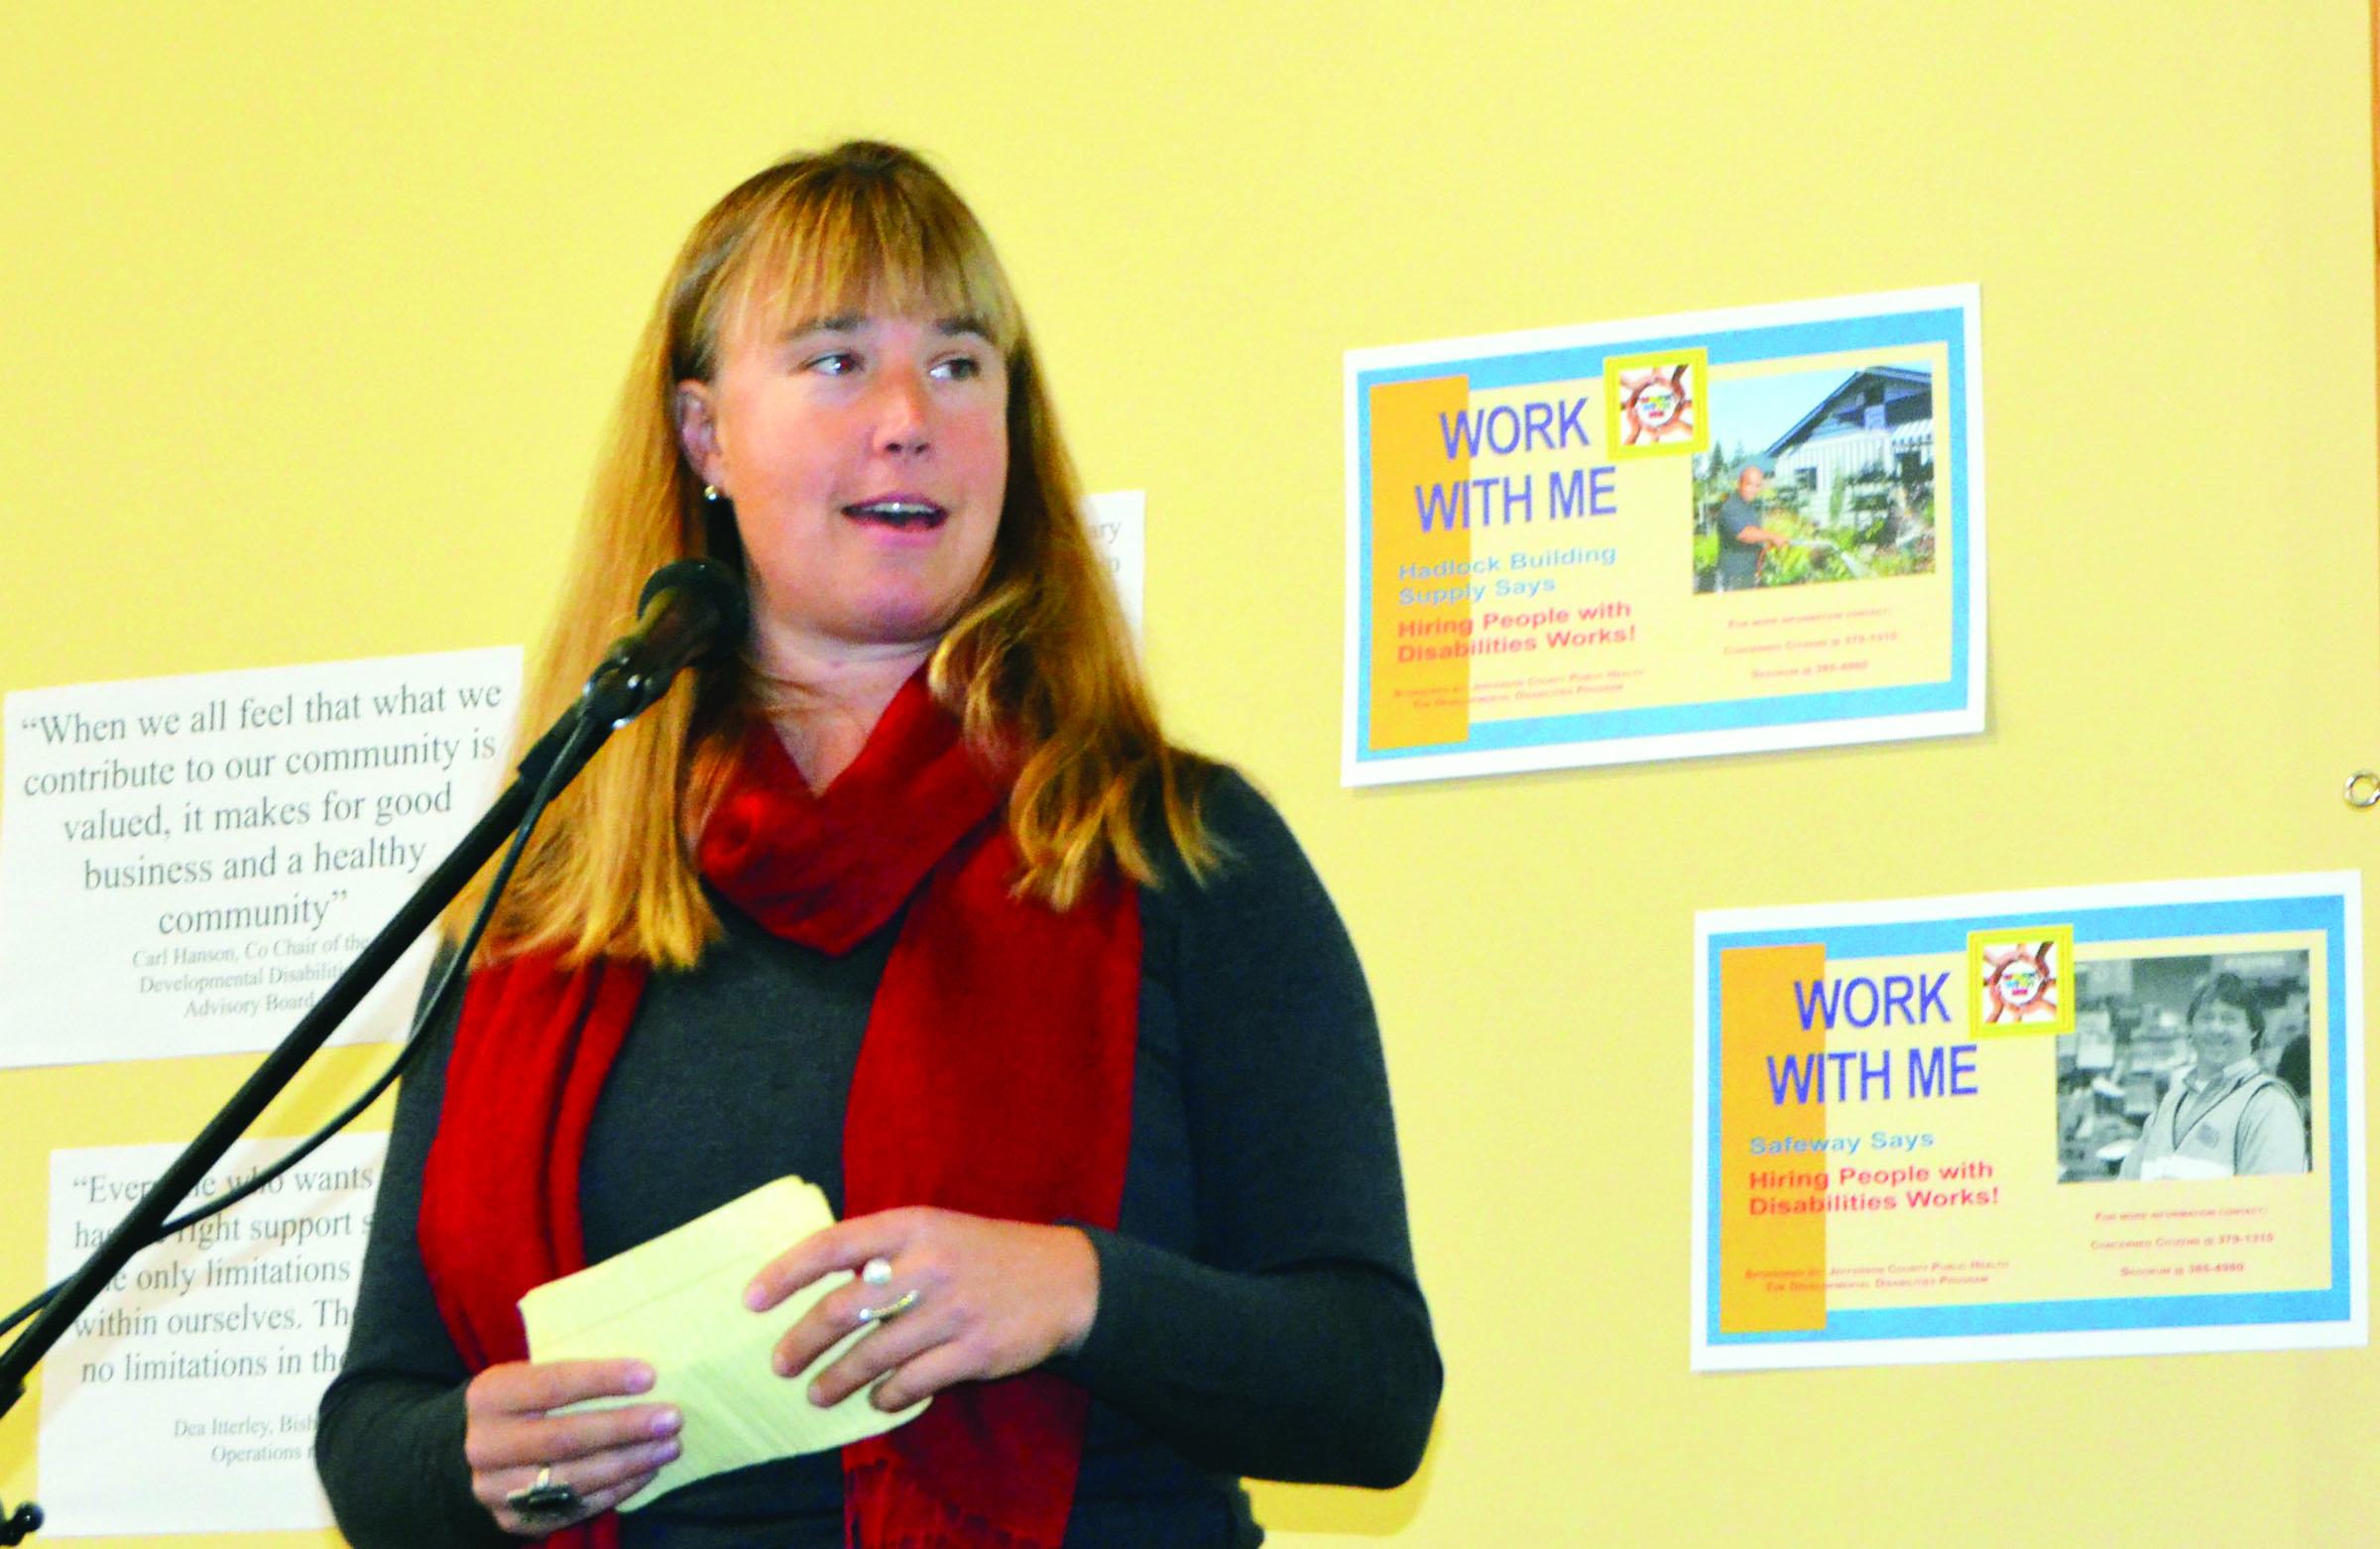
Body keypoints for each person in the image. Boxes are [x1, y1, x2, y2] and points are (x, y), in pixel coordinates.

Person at [314, 142, 1440, 1549]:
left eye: (962, 364)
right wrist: (478, 1458)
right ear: (703, 435)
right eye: (838, 359)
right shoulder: (548, 900)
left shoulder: (1178, 850)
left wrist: (1077, 1290)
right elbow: (377, 1429)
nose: (910, 417)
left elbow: (1374, 1386)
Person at [2118, 973, 2307, 1180]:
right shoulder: (2171, 1103)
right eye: (2206, 1018)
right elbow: (2127, 1188)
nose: (2216, 1028)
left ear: (2253, 1030)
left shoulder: (2268, 1106)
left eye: (2229, 1019)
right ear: (2191, 1028)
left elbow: (2272, 1206)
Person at [1712, 463, 1785, 592]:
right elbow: (1744, 533)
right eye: (1750, 485)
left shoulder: (1747, 507)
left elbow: (1754, 535)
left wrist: (1768, 543)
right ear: (1739, 483)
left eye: (1757, 486)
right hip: (1733, 580)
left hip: (1747, 577)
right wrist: (1772, 536)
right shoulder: (1731, 507)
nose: (1754, 490)